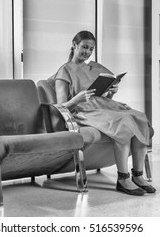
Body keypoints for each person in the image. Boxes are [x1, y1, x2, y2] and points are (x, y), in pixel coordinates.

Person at [50, 30, 156, 196]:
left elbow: (101, 95)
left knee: (139, 117)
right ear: (74, 45)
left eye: (91, 49)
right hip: (84, 110)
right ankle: (123, 178)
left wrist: (112, 91)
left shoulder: (95, 67)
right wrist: (77, 99)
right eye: (84, 47)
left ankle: (138, 175)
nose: (87, 52)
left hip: (103, 106)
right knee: (124, 121)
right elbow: (61, 105)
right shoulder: (65, 71)